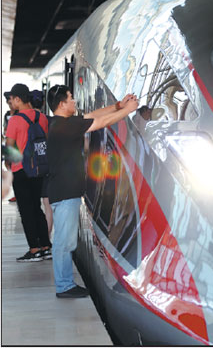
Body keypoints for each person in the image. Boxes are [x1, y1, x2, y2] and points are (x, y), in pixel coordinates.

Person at [47, 84, 138, 298]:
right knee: (63, 242)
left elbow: (92, 115)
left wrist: (118, 105)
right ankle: (64, 285)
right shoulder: (64, 127)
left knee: (64, 240)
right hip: (65, 193)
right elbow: (100, 122)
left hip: (63, 191)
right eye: (71, 99)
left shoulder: (61, 123)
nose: (74, 102)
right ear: (62, 104)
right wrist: (127, 111)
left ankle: (65, 283)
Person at [4, 83, 52, 262]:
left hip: (22, 170)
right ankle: (46, 246)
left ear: (18, 99)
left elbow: (9, 148)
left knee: (26, 211)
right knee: (36, 207)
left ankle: (34, 249)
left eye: (11, 99)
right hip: (39, 169)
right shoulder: (42, 117)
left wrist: (8, 166)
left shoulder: (15, 120)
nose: (10, 103)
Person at [31, 89, 53, 237]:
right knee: (47, 205)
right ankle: (46, 239)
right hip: (48, 166)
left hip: (31, 167)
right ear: (44, 102)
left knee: (33, 206)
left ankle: (37, 240)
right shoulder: (50, 120)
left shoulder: (25, 121)